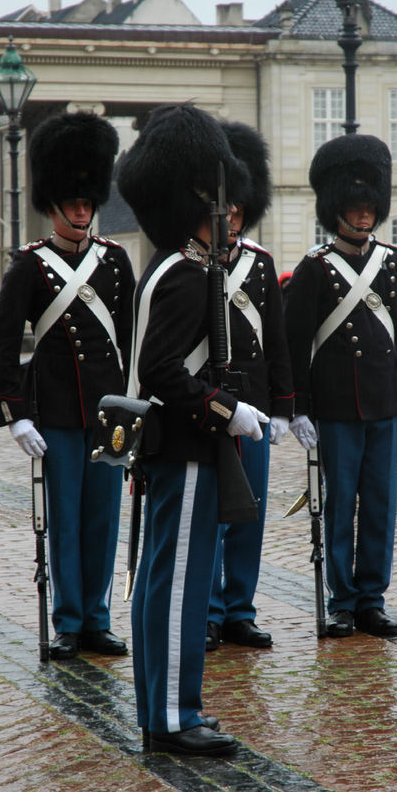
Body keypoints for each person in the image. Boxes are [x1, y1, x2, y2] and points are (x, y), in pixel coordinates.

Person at [117, 103, 268, 756]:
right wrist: (225, 410)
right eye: (219, 205)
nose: (228, 216)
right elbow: (161, 371)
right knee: (177, 580)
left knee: (161, 579)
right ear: (197, 205)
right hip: (185, 448)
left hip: (179, 448)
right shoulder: (182, 273)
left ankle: (163, 708)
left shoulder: (182, 265)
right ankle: (175, 714)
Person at [0, 110, 135, 660]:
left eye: (86, 200)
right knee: (66, 523)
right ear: (54, 205)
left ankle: (97, 618)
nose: (80, 207)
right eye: (72, 201)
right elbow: (2, 344)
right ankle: (69, 619)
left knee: (102, 521)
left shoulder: (116, 263)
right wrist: (15, 412)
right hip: (55, 413)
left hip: (106, 412)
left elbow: (132, 340)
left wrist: (134, 409)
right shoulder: (31, 265)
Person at [285, 133, 397, 639]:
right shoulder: (315, 268)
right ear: (336, 209)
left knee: (381, 507)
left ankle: (371, 598)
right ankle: (340, 599)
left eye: (370, 208)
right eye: (356, 208)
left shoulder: (393, 262)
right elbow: (296, 342)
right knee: (340, 507)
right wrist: (297, 406)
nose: (364, 216)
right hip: (338, 406)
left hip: (384, 404)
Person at [205, 122, 294, 653]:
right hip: (212, 407)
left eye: (241, 206)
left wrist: (282, 407)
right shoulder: (191, 261)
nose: (233, 215)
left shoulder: (259, 263)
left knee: (250, 515)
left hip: (255, 408)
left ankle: (240, 608)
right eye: (226, 206)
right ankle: (211, 610)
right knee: (215, 513)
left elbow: (277, 341)